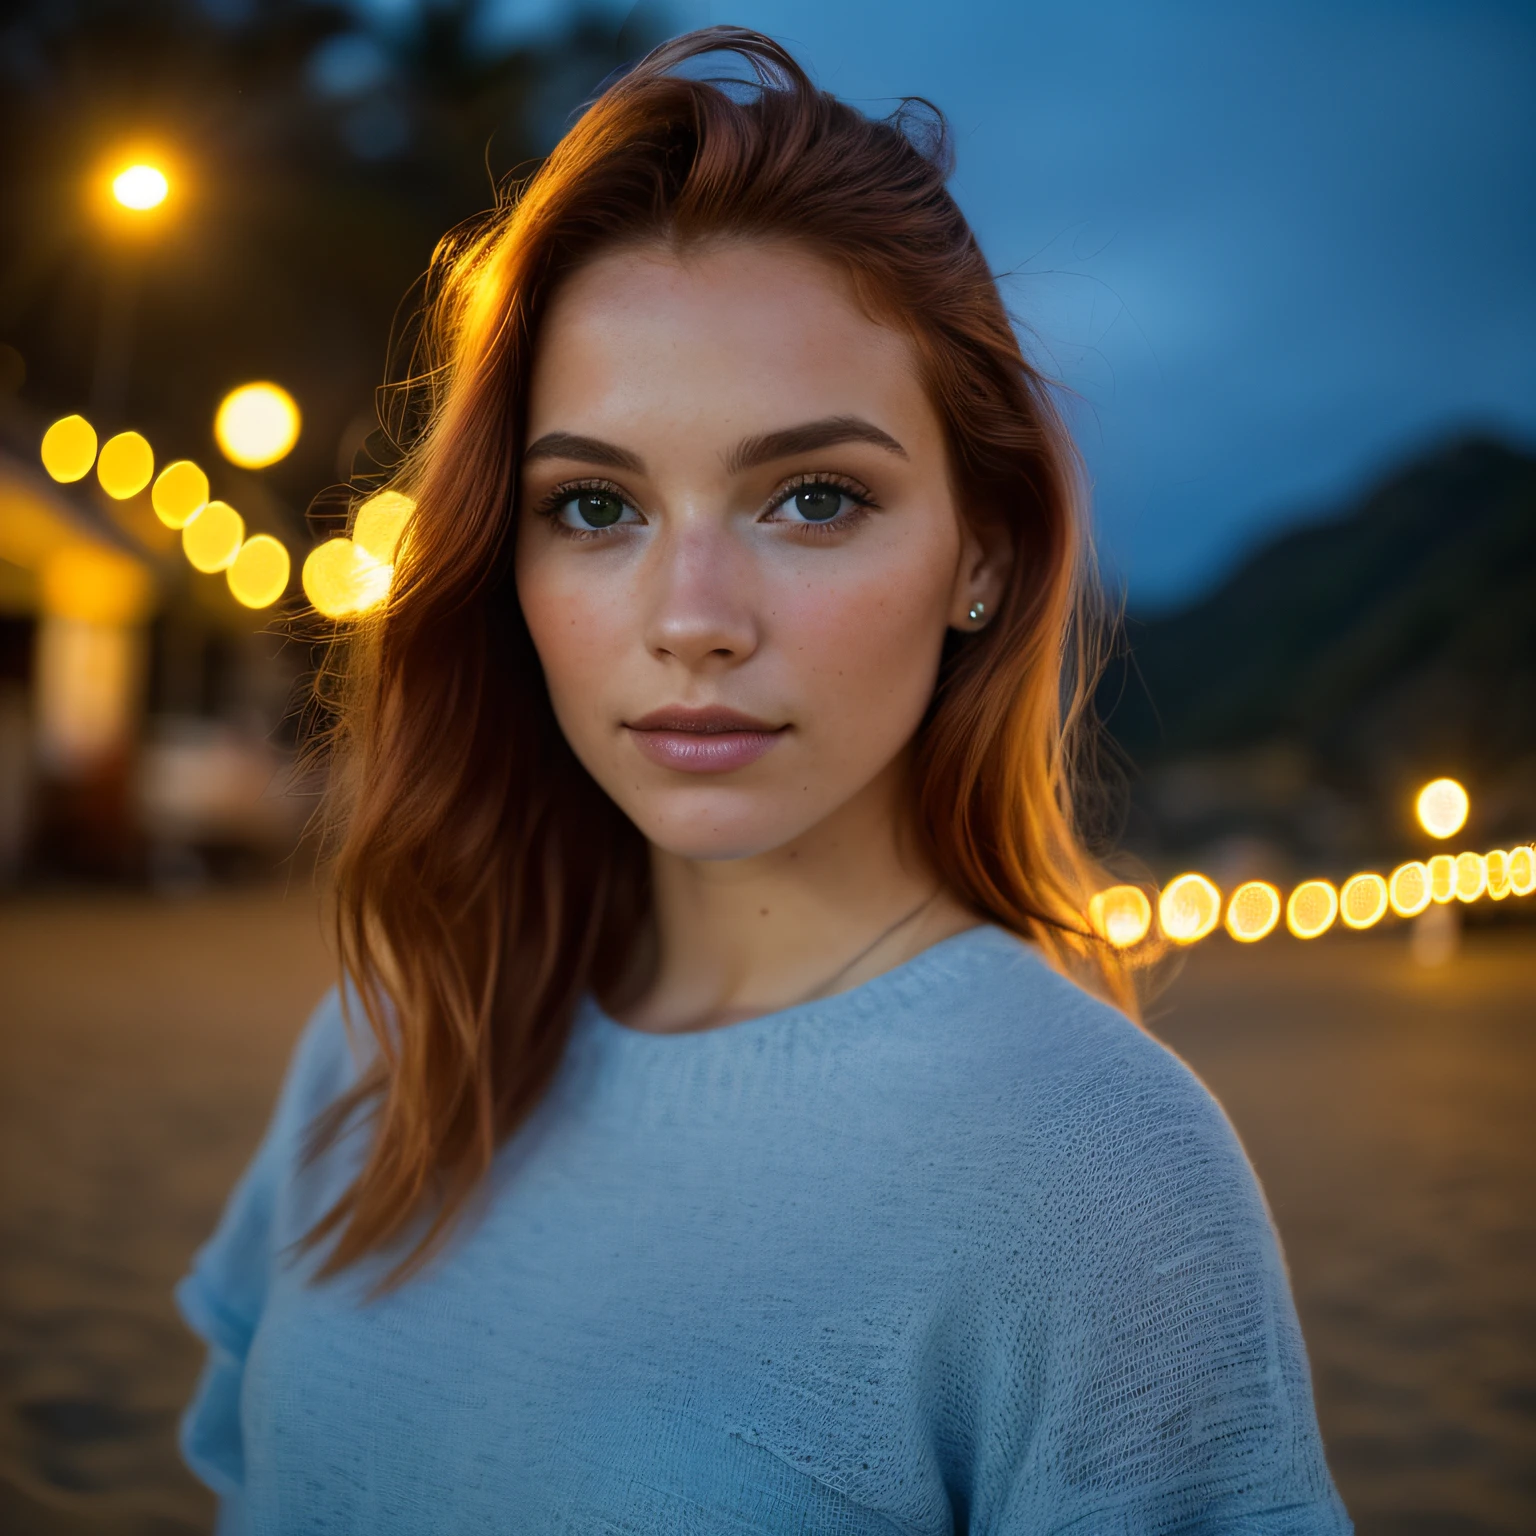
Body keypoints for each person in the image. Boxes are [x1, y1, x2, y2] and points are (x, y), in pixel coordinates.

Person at [174, 26, 1351, 1534]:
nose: (692, 620)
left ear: (981, 549)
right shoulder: (396, 1033)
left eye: (813, 499)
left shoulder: (1100, 1173)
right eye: (595, 504)